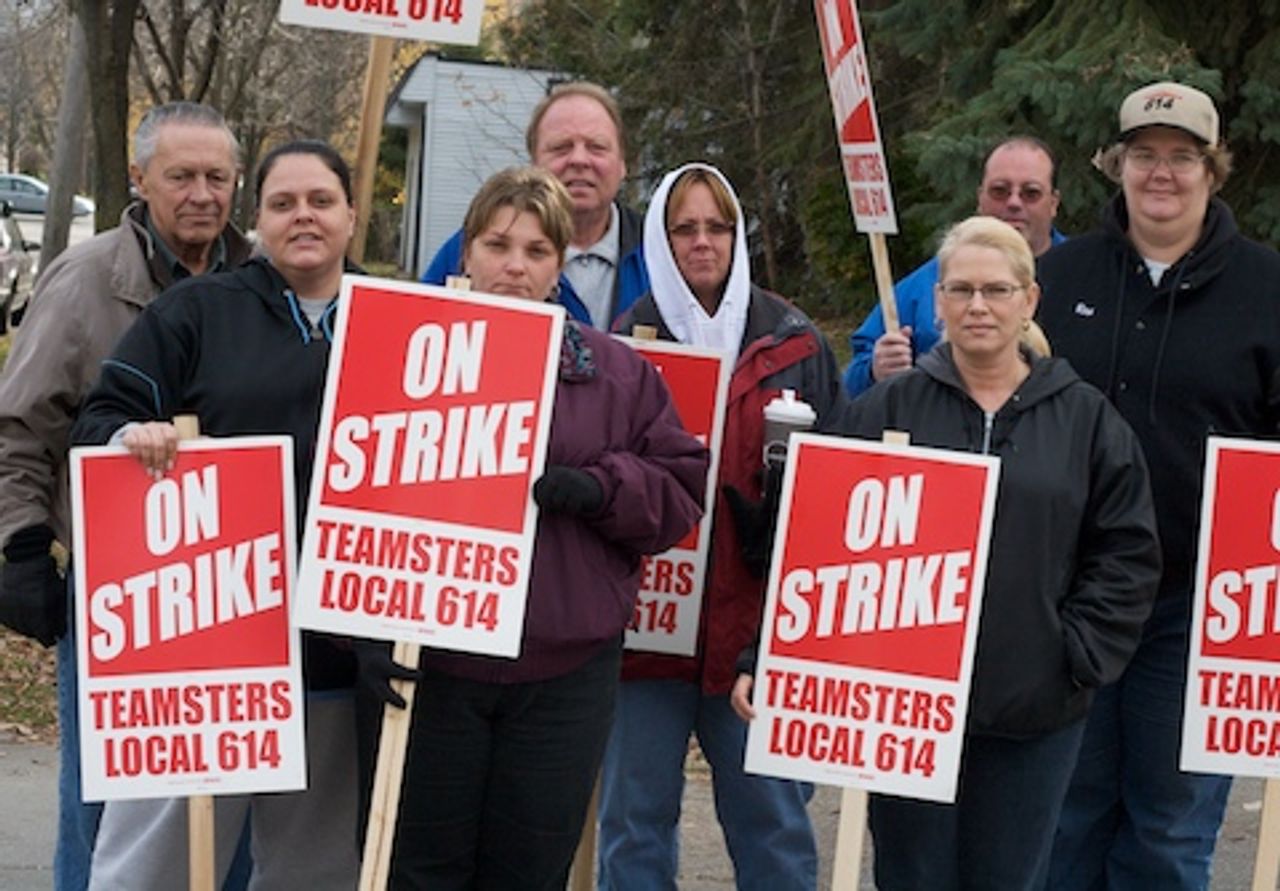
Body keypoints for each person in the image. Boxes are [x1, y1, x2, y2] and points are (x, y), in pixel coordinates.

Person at [734, 215, 1161, 889]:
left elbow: (1127, 551)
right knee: (912, 877)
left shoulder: (1086, 419)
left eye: (996, 289)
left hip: (1032, 714)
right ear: (936, 302)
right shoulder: (884, 410)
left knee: (1007, 879)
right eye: (960, 289)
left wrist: (1074, 653)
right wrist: (766, 657)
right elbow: (814, 542)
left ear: (1029, 298)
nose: (977, 305)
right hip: (903, 712)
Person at [355, 165, 707, 889]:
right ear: (466, 253)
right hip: (434, 667)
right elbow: (344, 501)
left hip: (562, 674)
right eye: (497, 244)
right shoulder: (400, 355)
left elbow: (680, 490)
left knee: (528, 874)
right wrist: (357, 631)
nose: (515, 265)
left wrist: (603, 487)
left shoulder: (616, 372)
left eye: (537, 250)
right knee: (417, 872)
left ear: (558, 267)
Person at [70, 140, 364, 889]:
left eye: (321, 200)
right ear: (256, 219)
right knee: (156, 867)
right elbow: (100, 417)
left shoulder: (394, 322)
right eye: (283, 202)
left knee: (314, 871)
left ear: (352, 215)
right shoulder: (193, 312)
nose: (304, 216)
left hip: (336, 654)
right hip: (209, 654)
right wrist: (133, 437)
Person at [0, 101, 251, 891]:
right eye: (181, 177)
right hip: (122, 592)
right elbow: (17, 425)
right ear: (140, 180)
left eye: (217, 176)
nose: (202, 194)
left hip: (235, 586)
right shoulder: (84, 279)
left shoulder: (257, 280)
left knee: (229, 805)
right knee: (107, 808)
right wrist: (20, 542)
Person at [1039, 81, 1280, 890]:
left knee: (1170, 835)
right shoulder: (1054, 277)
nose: (1162, 174)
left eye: (1183, 158)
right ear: (1118, 165)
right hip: (1069, 598)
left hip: (1198, 611)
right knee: (1064, 823)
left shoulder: (1267, 290)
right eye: (1145, 155)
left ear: (1214, 172)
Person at [598, 163, 843, 890]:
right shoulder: (624, 341)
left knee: (774, 827)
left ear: (739, 234)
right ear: (659, 239)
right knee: (633, 825)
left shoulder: (795, 341)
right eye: (685, 227)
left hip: (756, 634)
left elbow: (832, 489)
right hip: (648, 629)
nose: (703, 242)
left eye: (718, 226)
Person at [843, 136, 1065, 397]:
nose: (1014, 203)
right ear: (980, 197)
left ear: (1053, 203)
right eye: (1000, 191)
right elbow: (847, 386)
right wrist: (875, 370)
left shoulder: (1086, 275)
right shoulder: (925, 284)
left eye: (1031, 193)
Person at [421, 81, 648, 330]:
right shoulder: (471, 248)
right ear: (534, 162)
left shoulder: (658, 257)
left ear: (622, 164)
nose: (580, 160)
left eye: (597, 147)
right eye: (561, 148)